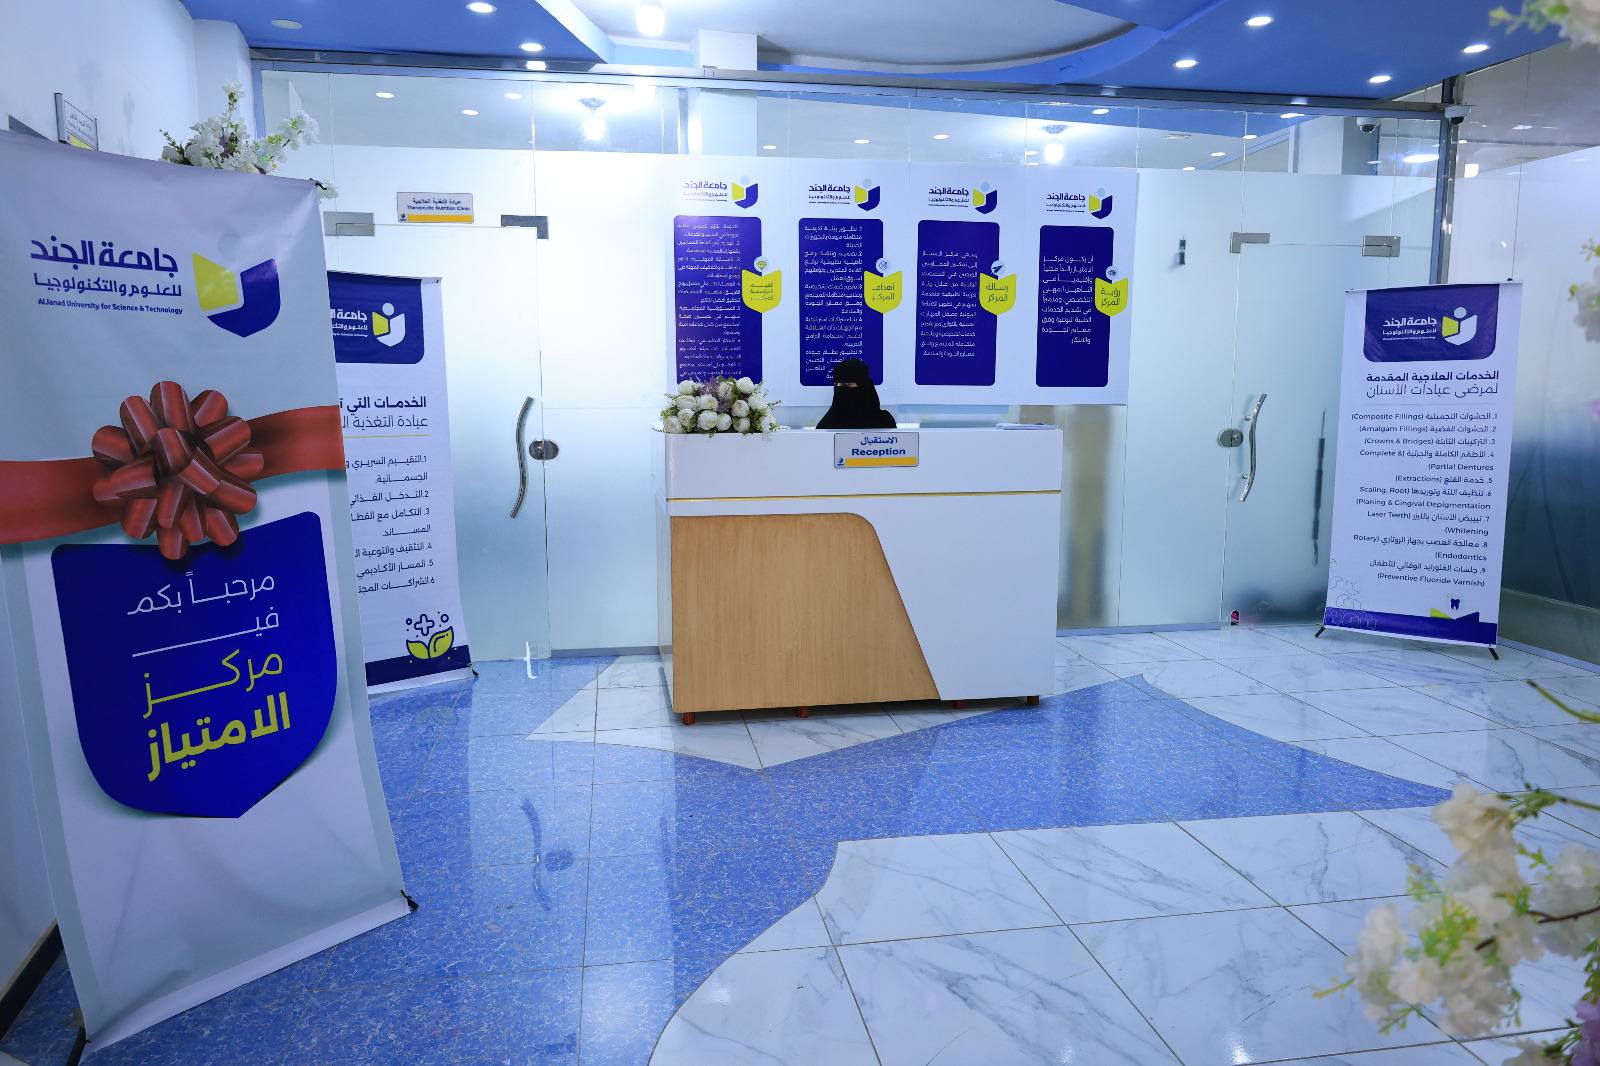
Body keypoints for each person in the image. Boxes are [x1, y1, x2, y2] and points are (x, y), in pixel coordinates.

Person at [815, 358, 896, 429]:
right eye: (837, 385)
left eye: (846, 385)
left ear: (863, 387)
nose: (840, 389)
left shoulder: (884, 421)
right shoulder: (828, 422)